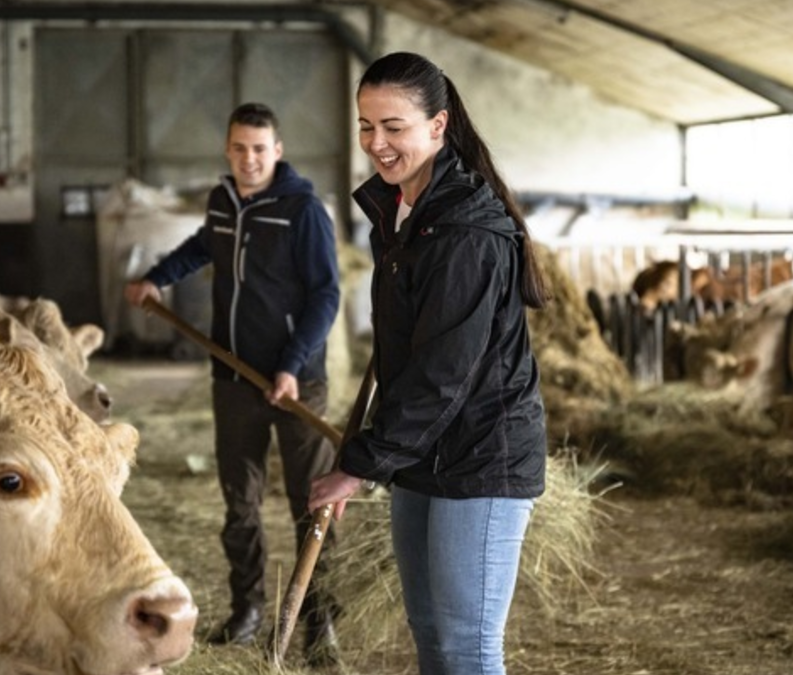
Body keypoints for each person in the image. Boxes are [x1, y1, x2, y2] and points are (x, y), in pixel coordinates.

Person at [307, 52, 548, 675]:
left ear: (438, 126)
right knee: (433, 636)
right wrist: (383, 452)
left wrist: (358, 466)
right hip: (423, 454)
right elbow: (408, 358)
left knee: (469, 646)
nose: (377, 143)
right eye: (366, 126)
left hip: (482, 457)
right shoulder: (402, 215)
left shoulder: (466, 232)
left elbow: (443, 373)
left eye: (395, 127)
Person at [125, 102, 342, 667]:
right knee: (238, 502)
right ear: (228, 149)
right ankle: (247, 610)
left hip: (297, 383)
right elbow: (205, 247)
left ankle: (320, 621)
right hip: (233, 377)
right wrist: (156, 279)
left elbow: (326, 295)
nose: (249, 159)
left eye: (260, 149)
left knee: (312, 502)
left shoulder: (303, 211)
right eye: (240, 148)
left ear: (278, 151)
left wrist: (293, 364)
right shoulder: (223, 201)